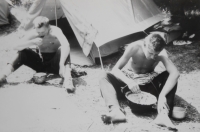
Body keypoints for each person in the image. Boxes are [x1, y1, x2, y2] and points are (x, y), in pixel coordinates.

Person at [99, 33, 179, 130]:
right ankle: (115, 111)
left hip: (147, 85)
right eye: (150, 53)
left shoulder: (162, 53)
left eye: (156, 54)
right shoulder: (135, 47)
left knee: (169, 76)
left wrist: (162, 95)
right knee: (104, 75)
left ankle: (163, 115)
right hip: (128, 84)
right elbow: (115, 69)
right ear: (144, 45)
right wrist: (129, 82)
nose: (153, 57)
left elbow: (175, 73)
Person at [0, 16, 75, 92]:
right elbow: (15, 46)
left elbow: (66, 45)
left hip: (55, 63)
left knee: (64, 49)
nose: (40, 34)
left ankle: (68, 80)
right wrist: (31, 42)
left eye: (42, 32)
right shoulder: (34, 32)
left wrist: (61, 65)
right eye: (38, 32)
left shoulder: (56, 30)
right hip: (41, 63)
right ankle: (2, 76)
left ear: (48, 27)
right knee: (23, 51)